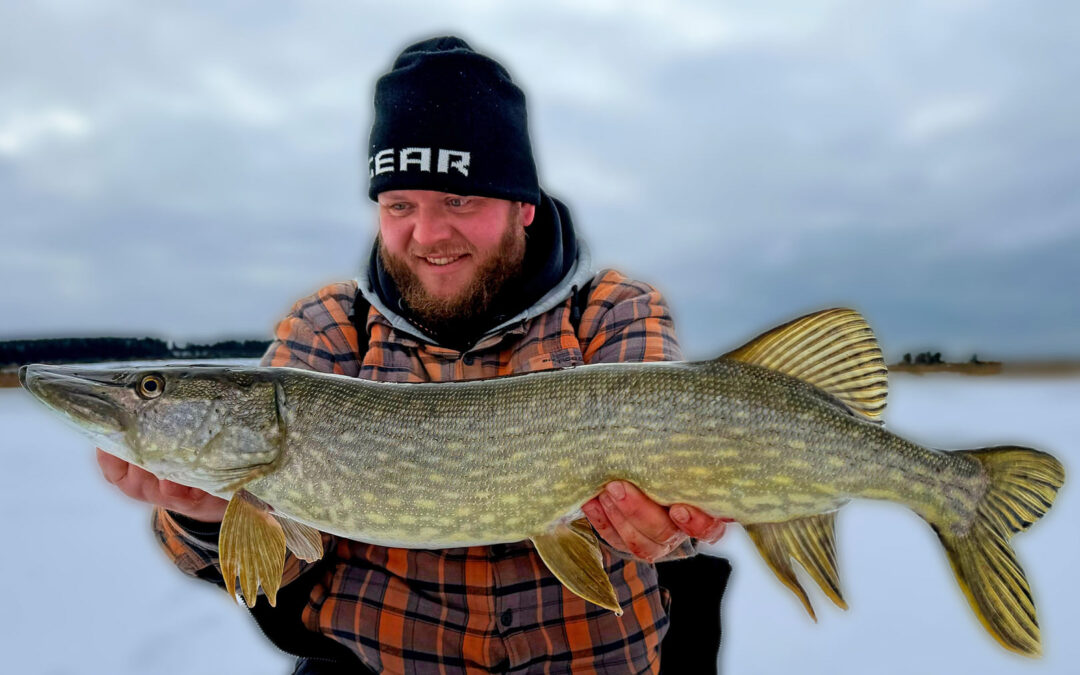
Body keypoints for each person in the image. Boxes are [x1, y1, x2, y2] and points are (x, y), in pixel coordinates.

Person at [96, 36, 732, 673]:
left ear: (523, 206)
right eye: (401, 205)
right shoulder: (327, 329)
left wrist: (664, 527)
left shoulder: (611, 311)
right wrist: (206, 515)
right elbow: (273, 564)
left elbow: (669, 501)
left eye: (460, 200)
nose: (428, 235)